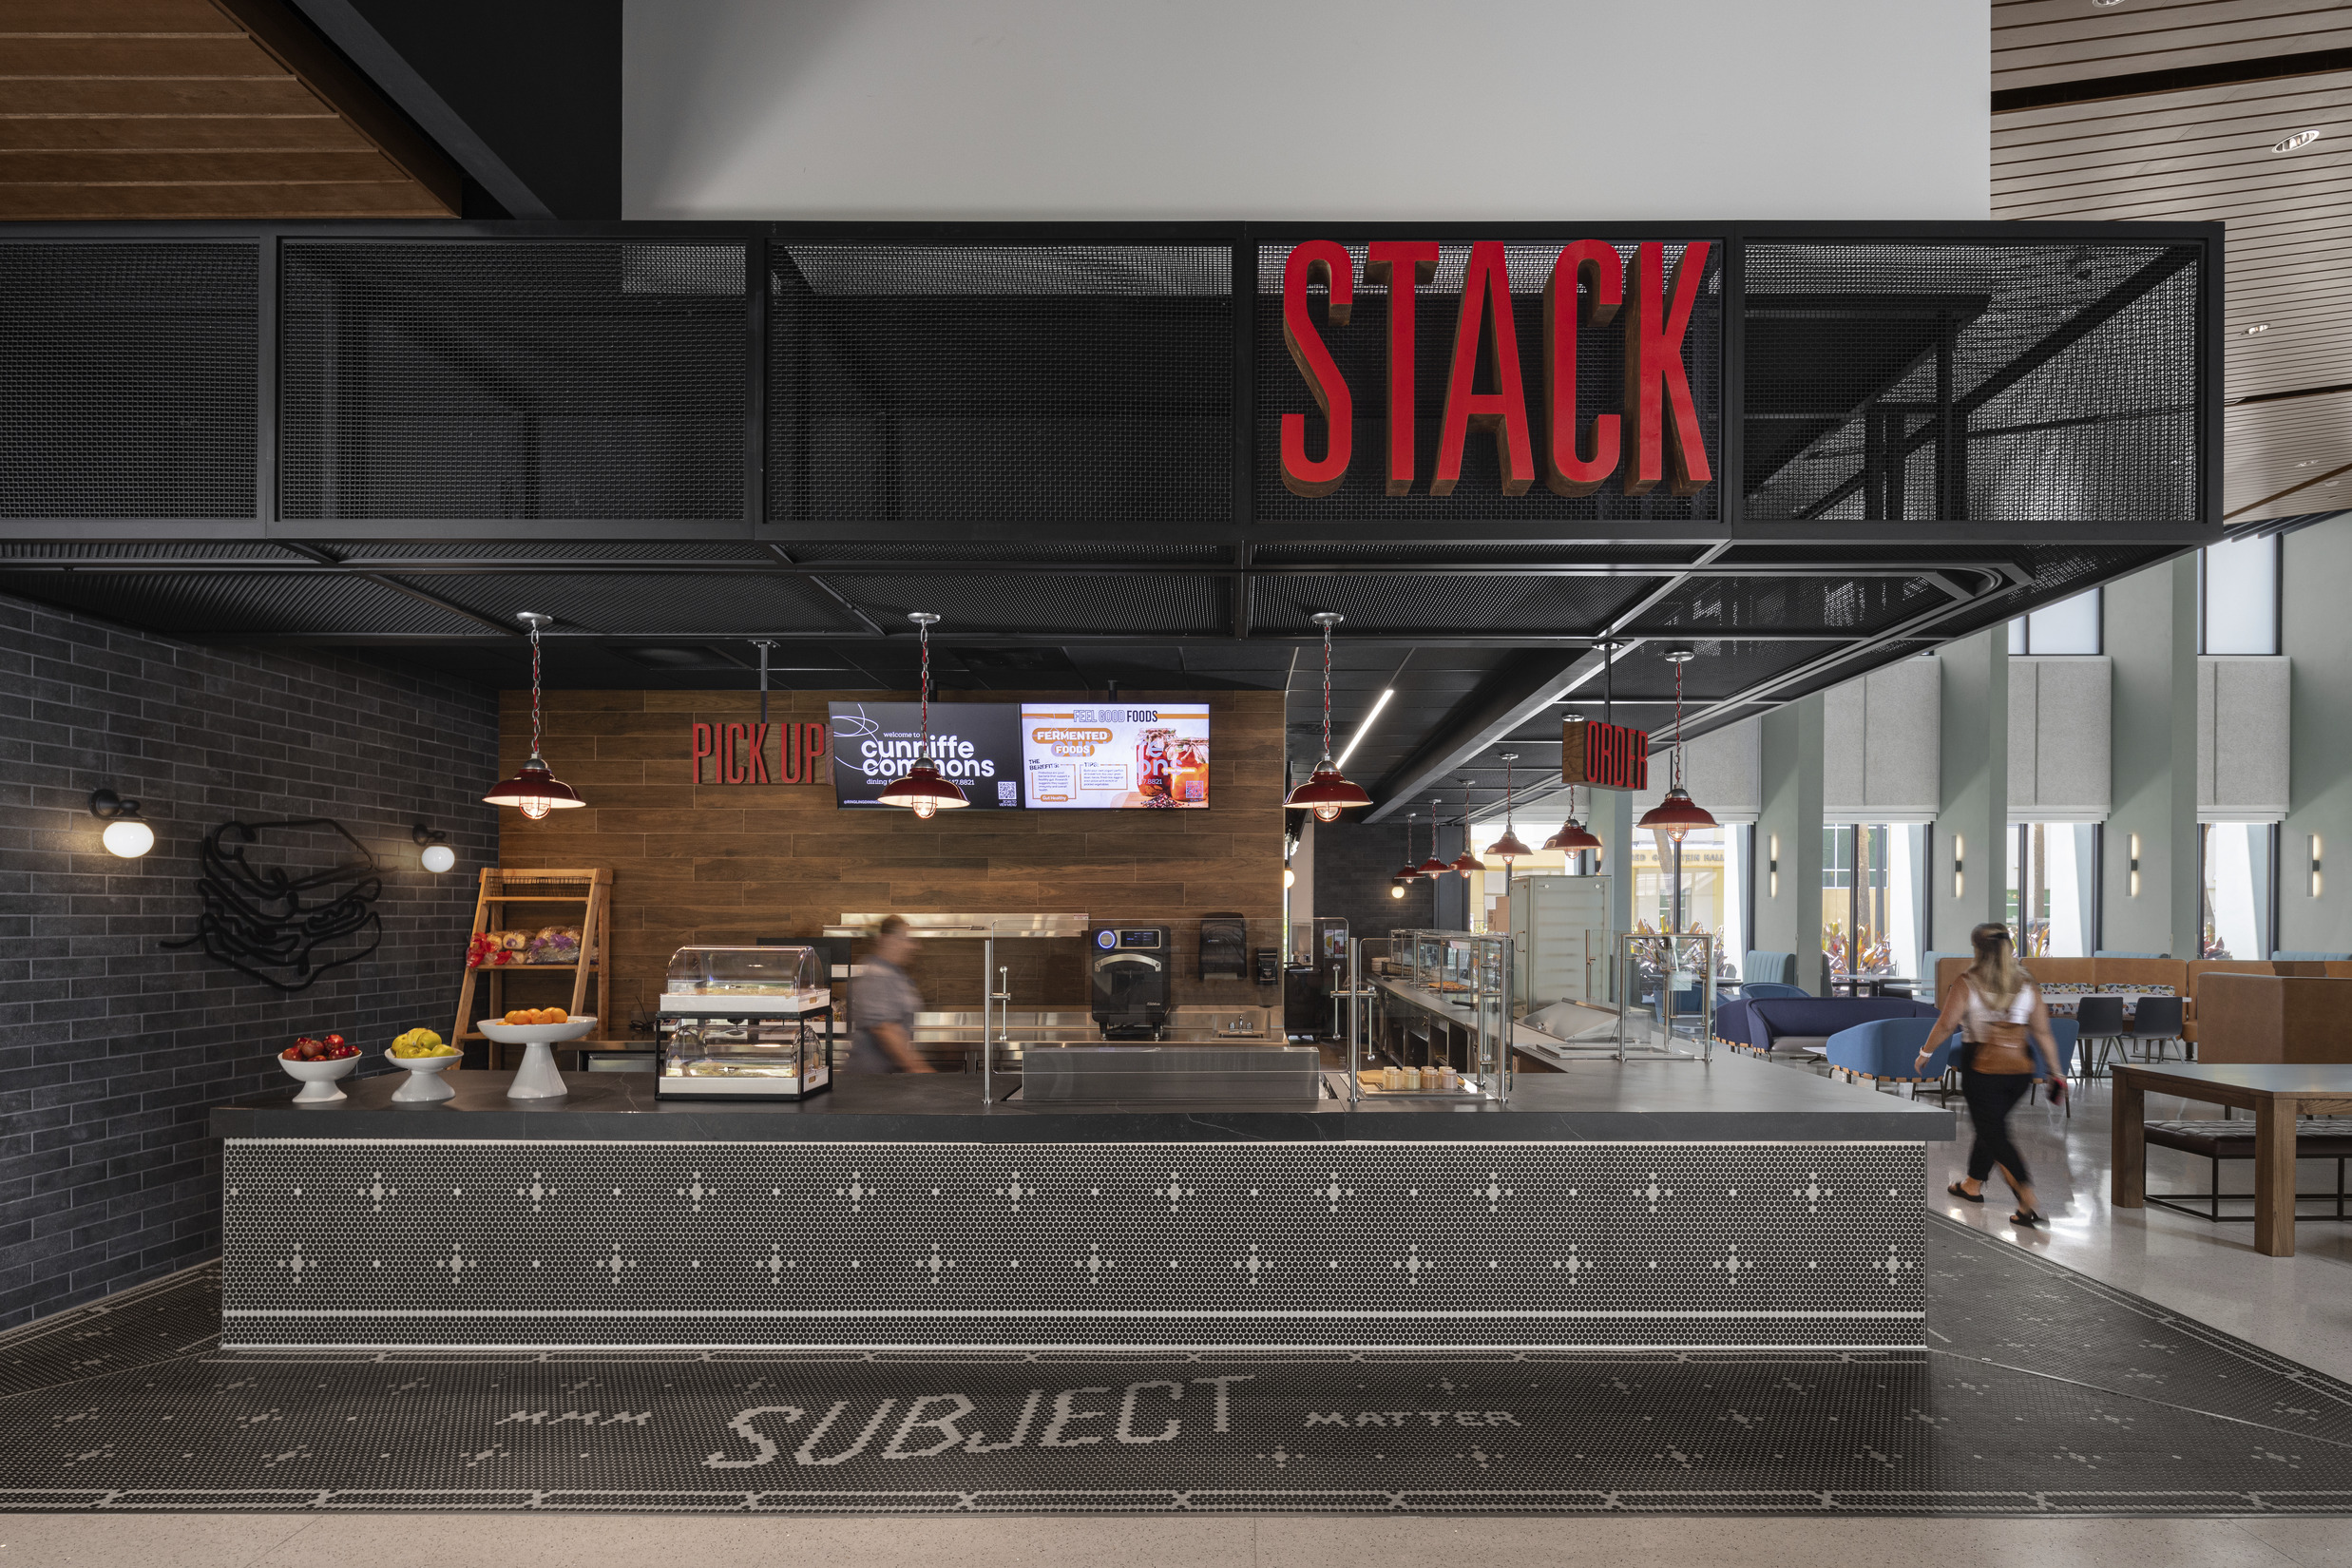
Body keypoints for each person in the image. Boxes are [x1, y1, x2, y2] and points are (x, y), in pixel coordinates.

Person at [1916, 921, 2066, 1229]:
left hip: (1982, 1067)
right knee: (1991, 1125)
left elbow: (1946, 1025)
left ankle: (2026, 1198)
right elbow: (2043, 1032)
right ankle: (1972, 1184)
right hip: (2020, 1068)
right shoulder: (2027, 983)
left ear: (1977, 949)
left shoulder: (1967, 982)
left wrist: (1925, 1052)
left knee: (1993, 1131)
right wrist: (2056, 1071)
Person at [847, 914, 933, 1074]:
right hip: (871, 1082)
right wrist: (920, 1070)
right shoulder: (876, 975)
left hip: (886, 1080)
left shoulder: (894, 973)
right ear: (888, 940)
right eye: (906, 940)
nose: (914, 947)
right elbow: (886, 1030)